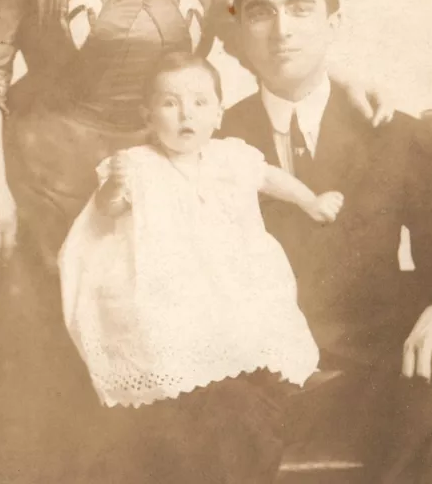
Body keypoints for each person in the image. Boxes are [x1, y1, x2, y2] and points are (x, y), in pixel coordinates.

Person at [0, 0, 392, 482]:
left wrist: (340, 78)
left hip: (163, 192)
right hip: (40, 196)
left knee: (166, 395)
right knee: (38, 403)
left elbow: (255, 37)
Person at [220, 0, 432, 483]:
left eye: (300, 8)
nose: (282, 30)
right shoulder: (209, 140)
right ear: (238, 34)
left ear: (333, 22)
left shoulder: (396, 134)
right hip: (254, 377)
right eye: (261, 12)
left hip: (378, 364)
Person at [58, 52, 340, 482]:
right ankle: (191, 387)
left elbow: (271, 179)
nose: (186, 113)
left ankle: (265, 379)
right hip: (168, 285)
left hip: (228, 278)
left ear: (219, 113)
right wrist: (115, 184)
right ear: (147, 115)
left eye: (200, 102)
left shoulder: (231, 156)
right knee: (177, 347)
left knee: (251, 326)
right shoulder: (137, 164)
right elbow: (108, 208)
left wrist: (310, 201)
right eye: (170, 103)